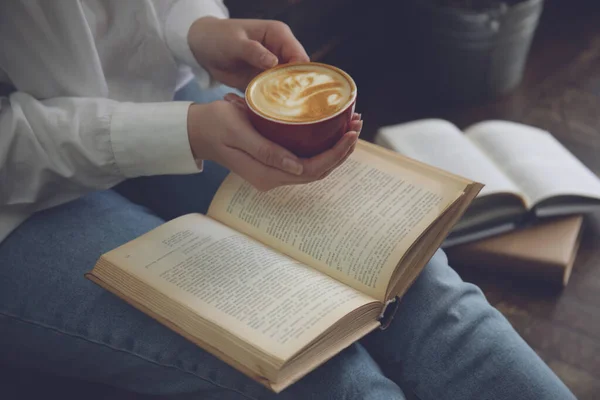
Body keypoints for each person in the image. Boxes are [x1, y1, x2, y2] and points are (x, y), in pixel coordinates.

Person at [0, 2, 576, 399]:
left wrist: (192, 28)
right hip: (17, 205)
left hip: (166, 102)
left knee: (427, 295)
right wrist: (182, 132)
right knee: (323, 373)